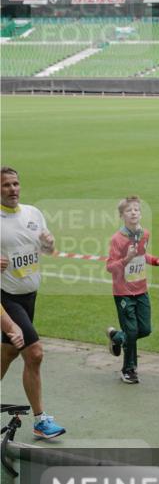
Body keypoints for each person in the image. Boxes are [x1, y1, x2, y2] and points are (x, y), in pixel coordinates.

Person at [0, 167, 66, 440]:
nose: (13, 189)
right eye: (6, 185)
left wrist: (49, 243)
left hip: (29, 295)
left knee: (8, 353)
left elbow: (46, 250)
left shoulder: (33, 213)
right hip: (6, 297)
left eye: (15, 184)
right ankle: (40, 420)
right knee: (34, 353)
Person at [105, 195, 159, 384]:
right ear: (122, 215)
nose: (133, 213)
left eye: (136, 210)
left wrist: (157, 261)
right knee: (132, 332)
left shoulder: (144, 235)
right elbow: (110, 267)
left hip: (141, 290)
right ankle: (129, 370)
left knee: (145, 329)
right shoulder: (117, 239)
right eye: (129, 210)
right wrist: (126, 258)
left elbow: (142, 255)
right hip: (123, 293)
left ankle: (117, 337)